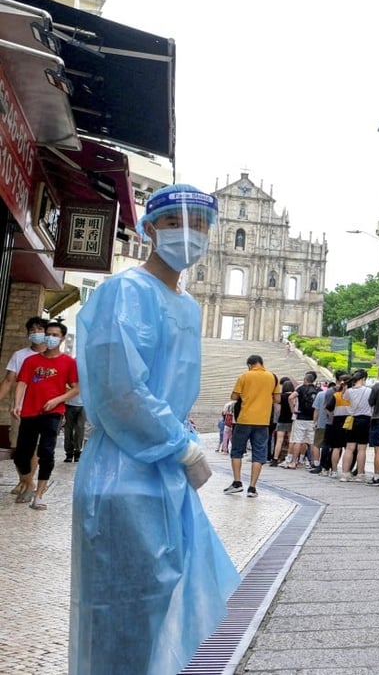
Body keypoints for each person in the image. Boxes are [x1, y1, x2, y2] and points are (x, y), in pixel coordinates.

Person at [72, 183, 238, 674]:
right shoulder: (125, 292)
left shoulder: (187, 304)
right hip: (122, 473)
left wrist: (178, 449)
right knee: (118, 610)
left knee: (161, 603)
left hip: (165, 475)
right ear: (148, 229)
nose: (188, 233)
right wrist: (181, 446)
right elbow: (119, 388)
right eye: (173, 223)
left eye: (200, 224)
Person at [12, 320, 80, 509]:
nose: (50, 338)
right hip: (29, 412)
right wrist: (17, 404)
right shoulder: (31, 361)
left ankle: (39, 495)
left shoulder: (69, 362)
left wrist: (57, 400)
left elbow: (76, 388)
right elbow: (22, 382)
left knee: (47, 452)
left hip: (53, 413)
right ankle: (29, 484)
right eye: (48, 334)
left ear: (62, 338)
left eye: (55, 335)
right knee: (21, 456)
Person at [2, 316, 47, 494]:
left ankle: (27, 483)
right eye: (32, 330)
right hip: (20, 408)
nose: (36, 333)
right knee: (19, 448)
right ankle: (24, 479)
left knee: (33, 448)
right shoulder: (19, 355)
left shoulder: (52, 357)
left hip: (43, 410)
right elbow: (8, 381)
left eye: (40, 329)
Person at [229, 355, 280, 497]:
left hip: (244, 419)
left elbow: (234, 397)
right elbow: (277, 398)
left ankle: (237, 482)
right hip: (263, 421)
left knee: (237, 451)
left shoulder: (244, 376)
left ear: (249, 365)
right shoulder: (272, 377)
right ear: (262, 363)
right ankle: (252, 488)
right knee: (258, 453)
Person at [341, 370, 372, 482]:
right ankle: (360, 474)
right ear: (363, 379)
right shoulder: (369, 390)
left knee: (349, 447)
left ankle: (345, 473)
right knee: (361, 448)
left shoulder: (349, 391)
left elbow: (344, 398)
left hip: (352, 419)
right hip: (365, 420)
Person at [288, 372, 319, 469]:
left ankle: (293, 462)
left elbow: (290, 397)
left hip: (300, 417)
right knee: (312, 442)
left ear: (305, 379)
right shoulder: (317, 389)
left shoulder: (301, 388)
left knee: (298, 441)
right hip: (312, 419)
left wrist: (293, 410)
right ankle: (313, 462)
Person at [271, 377, 295, 467]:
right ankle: (289, 458)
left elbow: (277, 408)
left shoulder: (281, 396)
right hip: (291, 420)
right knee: (291, 440)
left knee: (279, 440)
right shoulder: (294, 397)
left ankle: (275, 459)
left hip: (282, 420)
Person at [62, 388, 87, 463]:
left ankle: (78, 452)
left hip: (83, 404)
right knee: (68, 430)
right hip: (68, 404)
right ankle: (69, 453)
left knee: (80, 429)